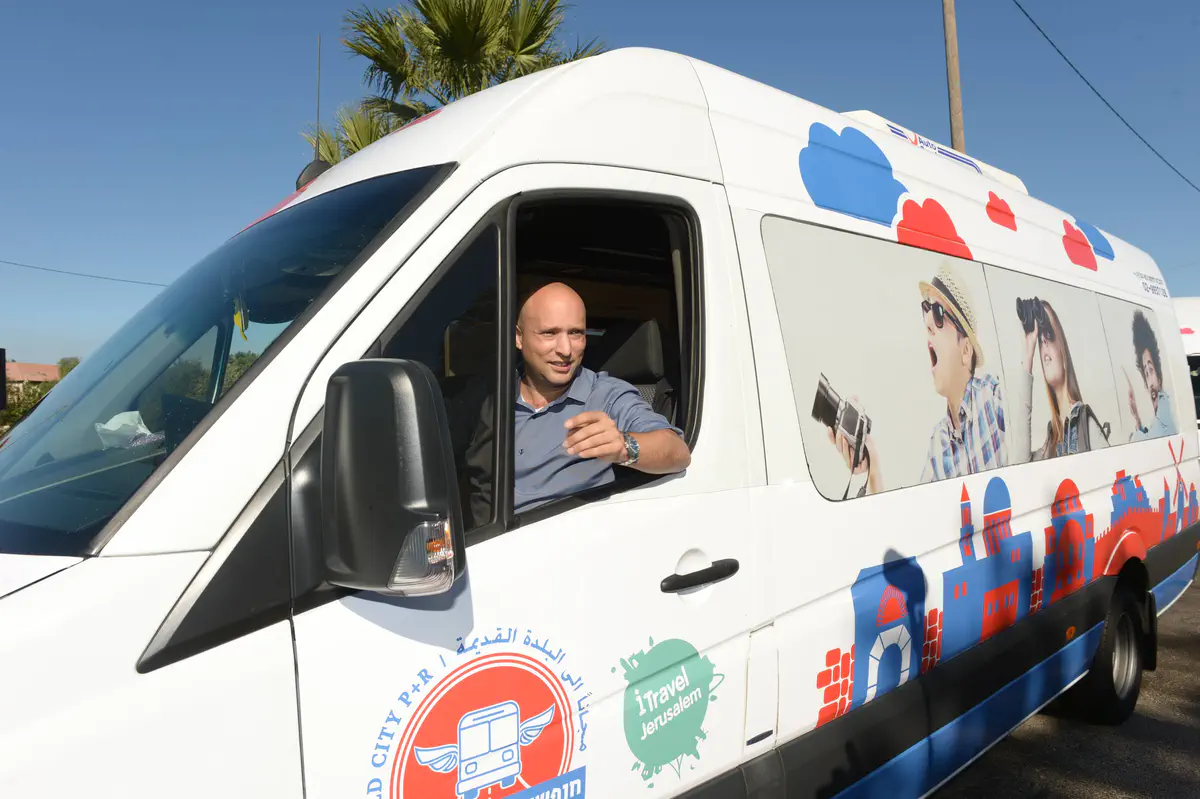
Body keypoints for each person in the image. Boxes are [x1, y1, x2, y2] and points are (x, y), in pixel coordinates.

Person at [466, 282, 690, 521]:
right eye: (549, 333)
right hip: (482, 541)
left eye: (576, 333)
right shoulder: (489, 395)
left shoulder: (605, 395)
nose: (565, 349)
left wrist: (624, 447)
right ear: (519, 337)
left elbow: (677, 451)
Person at [830, 261, 1007, 495]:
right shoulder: (939, 444)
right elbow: (912, 524)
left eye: (939, 314)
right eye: (926, 309)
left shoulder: (993, 399)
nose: (928, 323)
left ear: (966, 351)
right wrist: (873, 468)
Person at [1010, 299, 1095, 461]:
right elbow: (1019, 462)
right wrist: (1028, 352)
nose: (1043, 341)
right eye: (1040, 339)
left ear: (1063, 354)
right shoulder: (1051, 440)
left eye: (1049, 334)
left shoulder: (1086, 422)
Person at [1127, 309, 1177, 441]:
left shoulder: (1164, 408)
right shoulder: (1158, 417)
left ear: (1159, 377)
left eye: (1151, 370)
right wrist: (1137, 419)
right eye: (1146, 374)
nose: (1150, 383)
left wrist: (1135, 434)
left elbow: (1150, 439)